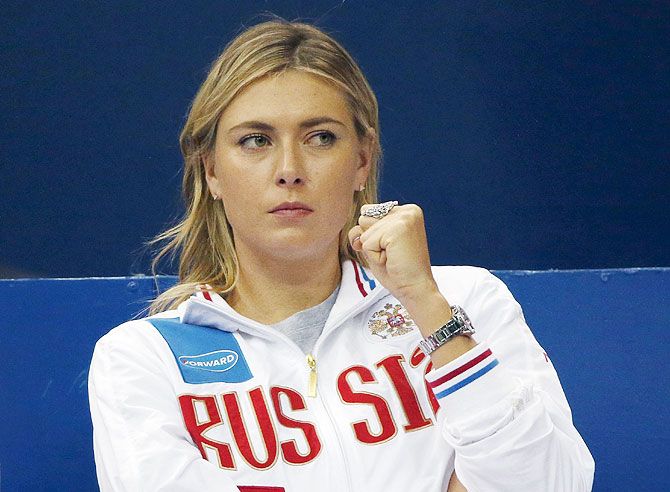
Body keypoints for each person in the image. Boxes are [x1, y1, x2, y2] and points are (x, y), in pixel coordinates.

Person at [88, 19, 595, 491]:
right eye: (256, 140)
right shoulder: (143, 359)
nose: (289, 169)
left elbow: (552, 484)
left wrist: (426, 306)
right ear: (211, 172)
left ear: (361, 160)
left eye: (321, 137)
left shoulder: (466, 300)